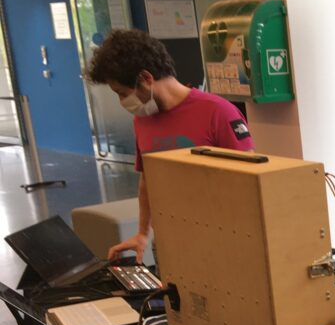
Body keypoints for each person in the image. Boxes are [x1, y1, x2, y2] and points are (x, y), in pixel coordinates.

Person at [85, 29, 255, 262]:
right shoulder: (142, 119)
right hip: (170, 240)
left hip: (222, 240)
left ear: (146, 79)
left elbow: (250, 182)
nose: (122, 101)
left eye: (122, 93)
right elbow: (148, 180)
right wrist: (143, 233)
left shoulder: (218, 112)